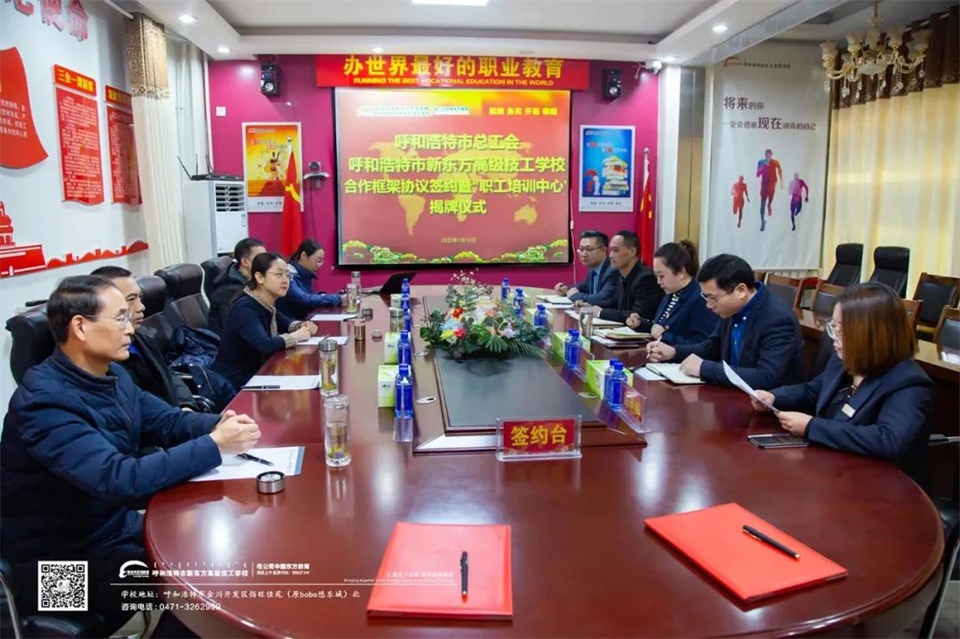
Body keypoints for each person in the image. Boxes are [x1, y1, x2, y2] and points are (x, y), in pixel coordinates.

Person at [0, 275, 260, 637]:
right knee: (196, 590)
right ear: (81, 327)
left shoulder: (113, 376)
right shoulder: (44, 404)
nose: (131, 327)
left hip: (111, 534)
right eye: (120, 318)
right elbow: (119, 478)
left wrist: (221, 423)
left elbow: (168, 421)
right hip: (55, 570)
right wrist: (215, 445)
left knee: (214, 552)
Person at [752, 283, 932, 489]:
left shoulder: (909, 383)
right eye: (834, 326)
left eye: (842, 329)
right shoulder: (844, 360)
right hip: (834, 473)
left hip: (881, 489)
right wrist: (774, 397)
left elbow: (888, 440)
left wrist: (811, 427)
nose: (833, 337)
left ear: (871, 334)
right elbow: (812, 391)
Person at [646, 253, 805, 388]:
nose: (708, 305)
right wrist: (674, 352)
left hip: (769, 405)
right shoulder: (732, 309)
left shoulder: (777, 319)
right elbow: (711, 347)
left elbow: (767, 376)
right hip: (733, 394)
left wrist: (704, 368)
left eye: (713, 298)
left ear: (741, 290)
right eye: (706, 297)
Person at [90, 266, 198, 410]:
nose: (141, 307)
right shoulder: (103, 359)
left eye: (139, 297)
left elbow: (168, 375)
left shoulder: (143, 335)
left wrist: (186, 406)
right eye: (130, 299)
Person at [213, 252, 317, 390]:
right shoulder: (245, 307)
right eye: (279, 275)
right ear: (259, 277)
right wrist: (297, 336)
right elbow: (265, 345)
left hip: (259, 373)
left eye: (287, 275)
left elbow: (285, 323)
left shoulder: (264, 303)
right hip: (235, 383)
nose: (285, 280)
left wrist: (301, 325)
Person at [644, 240, 718, 345]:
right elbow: (658, 327)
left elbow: (703, 344)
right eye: (656, 276)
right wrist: (641, 324)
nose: (658, 281)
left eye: (661, 276)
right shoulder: (671, 293)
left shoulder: (700, 299)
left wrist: (665, 336)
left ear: (681, 273)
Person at [589, 230, 663, 331]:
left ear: (632, 252)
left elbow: (636, 315)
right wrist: (590, 306)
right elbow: (615, 302)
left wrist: (600, 312)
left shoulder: (646, 278)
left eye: (616, 250)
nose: (610, 255)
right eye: (611, 250)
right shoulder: (622, 275)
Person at [208, 237, 266, 334]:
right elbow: (239, 328)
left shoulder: (251, 282)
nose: (266, 263)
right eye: (261, 258)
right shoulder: (229, 291)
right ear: (245, 262)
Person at [275, 239, 342, 320]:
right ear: (303, 255)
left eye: (321, 261)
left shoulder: (306, 274)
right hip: (289, 322)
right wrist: (338, 298)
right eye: (318, 261)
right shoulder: (288, 274)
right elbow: (305, 299)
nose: (319, 265)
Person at [553, 230, 617, 306]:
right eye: (581, 249)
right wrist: (566, 289)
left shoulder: (613, 270)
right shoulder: (592, 268)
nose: (583, 254)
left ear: (603, 250)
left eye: (589, 249)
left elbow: (602, 298)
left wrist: (575, 295)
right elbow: (584, 286)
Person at [755, 148, 783, 230]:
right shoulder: (761, 162)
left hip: (772, 185)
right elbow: (757, 174)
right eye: (766, 154)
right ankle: (762, 222)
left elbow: (780, 171)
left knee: (770, 198)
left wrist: (781, 181)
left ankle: (769, 205)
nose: (767, 156)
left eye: (769, 154)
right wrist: (761, 169)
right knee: (762, 205)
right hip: (764, 185)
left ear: (771, 155)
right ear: (765, 155)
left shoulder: (775, 162)